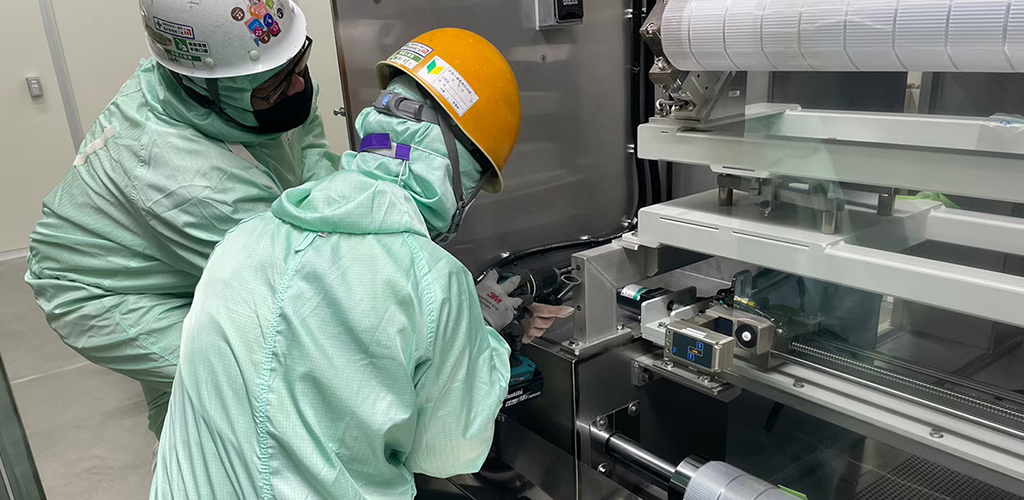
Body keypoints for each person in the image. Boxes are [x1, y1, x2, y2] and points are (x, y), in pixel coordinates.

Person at [150, 28, 571, 499]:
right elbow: (449, 453)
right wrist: (483, 337)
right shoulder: (434, 282)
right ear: (461, 170)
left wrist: (453, 325)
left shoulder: (242, 240)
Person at [25, 0, 339, 438]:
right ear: (206, 87)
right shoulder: (190, 182)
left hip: (187, 242)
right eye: (275, 86)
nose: (299, 85)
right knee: (245, 382)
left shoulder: (264, 77)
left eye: (298, 63)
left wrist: (336, 206)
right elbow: (300, 288)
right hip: (108, 292)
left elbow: (308, 148)